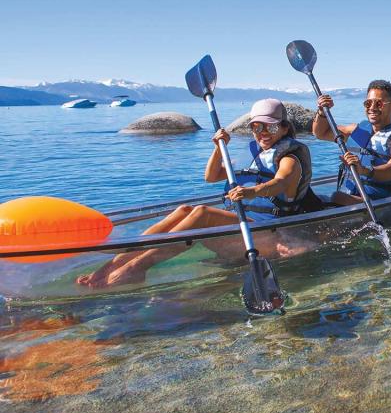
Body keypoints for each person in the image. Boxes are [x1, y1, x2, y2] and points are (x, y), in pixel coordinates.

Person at [77, 99, 313, 288]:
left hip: (270, 233)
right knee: (184, 210)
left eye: (270, 126)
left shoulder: (289, 158)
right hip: (247, 225)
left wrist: (251, 191)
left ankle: (137, 268)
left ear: (283, 128)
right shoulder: (258, 154)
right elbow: (211, 177)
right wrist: (218, 148)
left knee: (202, 213)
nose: (263, 133)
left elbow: (280, 182)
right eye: (257, 127)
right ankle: (115, 264)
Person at [313, 80, 391, 206]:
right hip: (350, 197)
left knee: (337, 197)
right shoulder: (356, 130)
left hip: (379, 203)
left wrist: (365, 170)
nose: (372, 108)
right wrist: (322, 113)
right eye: (368, 103)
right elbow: (321, 133)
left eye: (379, 104)